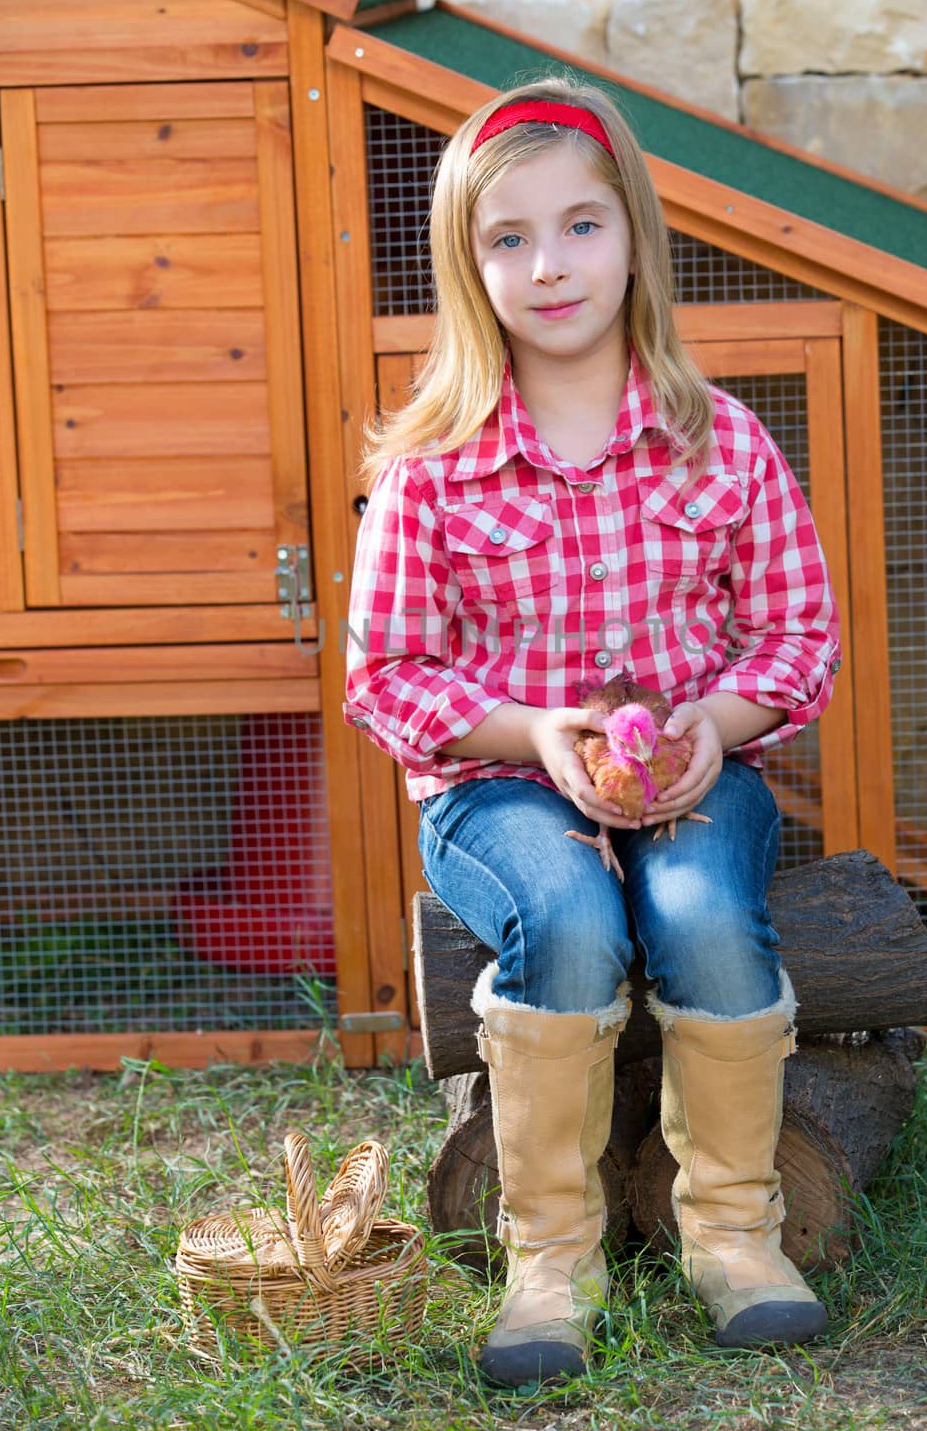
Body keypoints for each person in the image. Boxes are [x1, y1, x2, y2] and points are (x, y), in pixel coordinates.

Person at [344, 77, 841, 1386]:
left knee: (703, 913)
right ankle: (549, 1257)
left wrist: (703, 731)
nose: (549, 265)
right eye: (508, 239)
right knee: (564, 911)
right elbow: (387, 675)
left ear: (636, 240)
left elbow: (798, 644)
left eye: (581, 227)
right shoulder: (433, 467)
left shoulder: (718, 443)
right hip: (500, 782)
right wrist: (536, 736)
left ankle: (735, 1233)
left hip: (694, 765)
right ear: (469, 266)